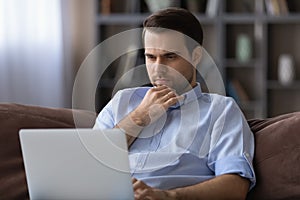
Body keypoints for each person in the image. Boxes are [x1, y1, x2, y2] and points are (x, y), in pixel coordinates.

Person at [94, 7, 255, 200]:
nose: (158, 68)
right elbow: (89, 165)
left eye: (170, 56)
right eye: (151, 57)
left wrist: (165, 196)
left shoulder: (221, 111)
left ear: (196, 56)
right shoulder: (121, 102)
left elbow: (235, 186)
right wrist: (139, 117)